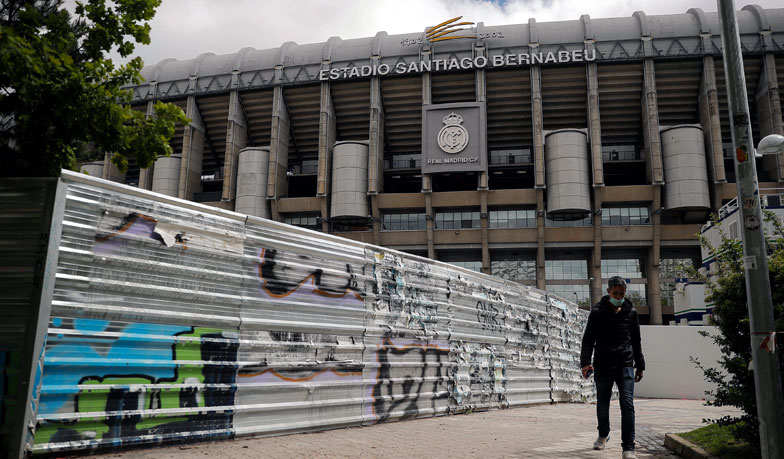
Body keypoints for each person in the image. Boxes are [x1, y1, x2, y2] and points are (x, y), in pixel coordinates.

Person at [580, 276, 645, 459]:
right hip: (603, 363)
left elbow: (636, 340)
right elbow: (588, 340)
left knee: (627, 403)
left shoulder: (631, 312)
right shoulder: (597, 312)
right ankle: (603, 434)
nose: (619, 296)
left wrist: (640, 365)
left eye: (622, 293)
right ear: (608, 292)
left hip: (625, 363)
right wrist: (585, 363)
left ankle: (628, 448)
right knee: (602, 404)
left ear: (625, 293)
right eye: (615, 293)